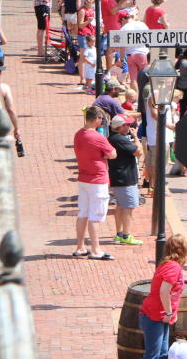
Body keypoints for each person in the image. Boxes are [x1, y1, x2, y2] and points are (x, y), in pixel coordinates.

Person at [72, 105, 115, 259]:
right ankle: (96, 250)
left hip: (83, 178)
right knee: (95, 215)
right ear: (96, 119)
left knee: (83, 213)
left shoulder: (78, 134)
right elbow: (113, 154)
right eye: (101, 119)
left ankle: (80, 247)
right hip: (97, 180)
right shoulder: (97, 137)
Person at [139, 233, 187, 359]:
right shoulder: (173, 267)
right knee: (153, 355)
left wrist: (171, 312)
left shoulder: (168, 264)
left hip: (159, 316)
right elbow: (164, 291)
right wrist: (168, 312)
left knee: (163, 354)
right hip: (155, 316)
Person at [107, 114, 144, 246]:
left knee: (121, 206)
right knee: (129, 207)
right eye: (127, 125)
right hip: (125, 178)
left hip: (119, 177)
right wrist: (135, 138)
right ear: (120, 127)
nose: (129, 126)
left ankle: (119, 234)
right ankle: (126, 235)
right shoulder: (119, 139)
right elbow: (139, 152)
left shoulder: (114, 138)